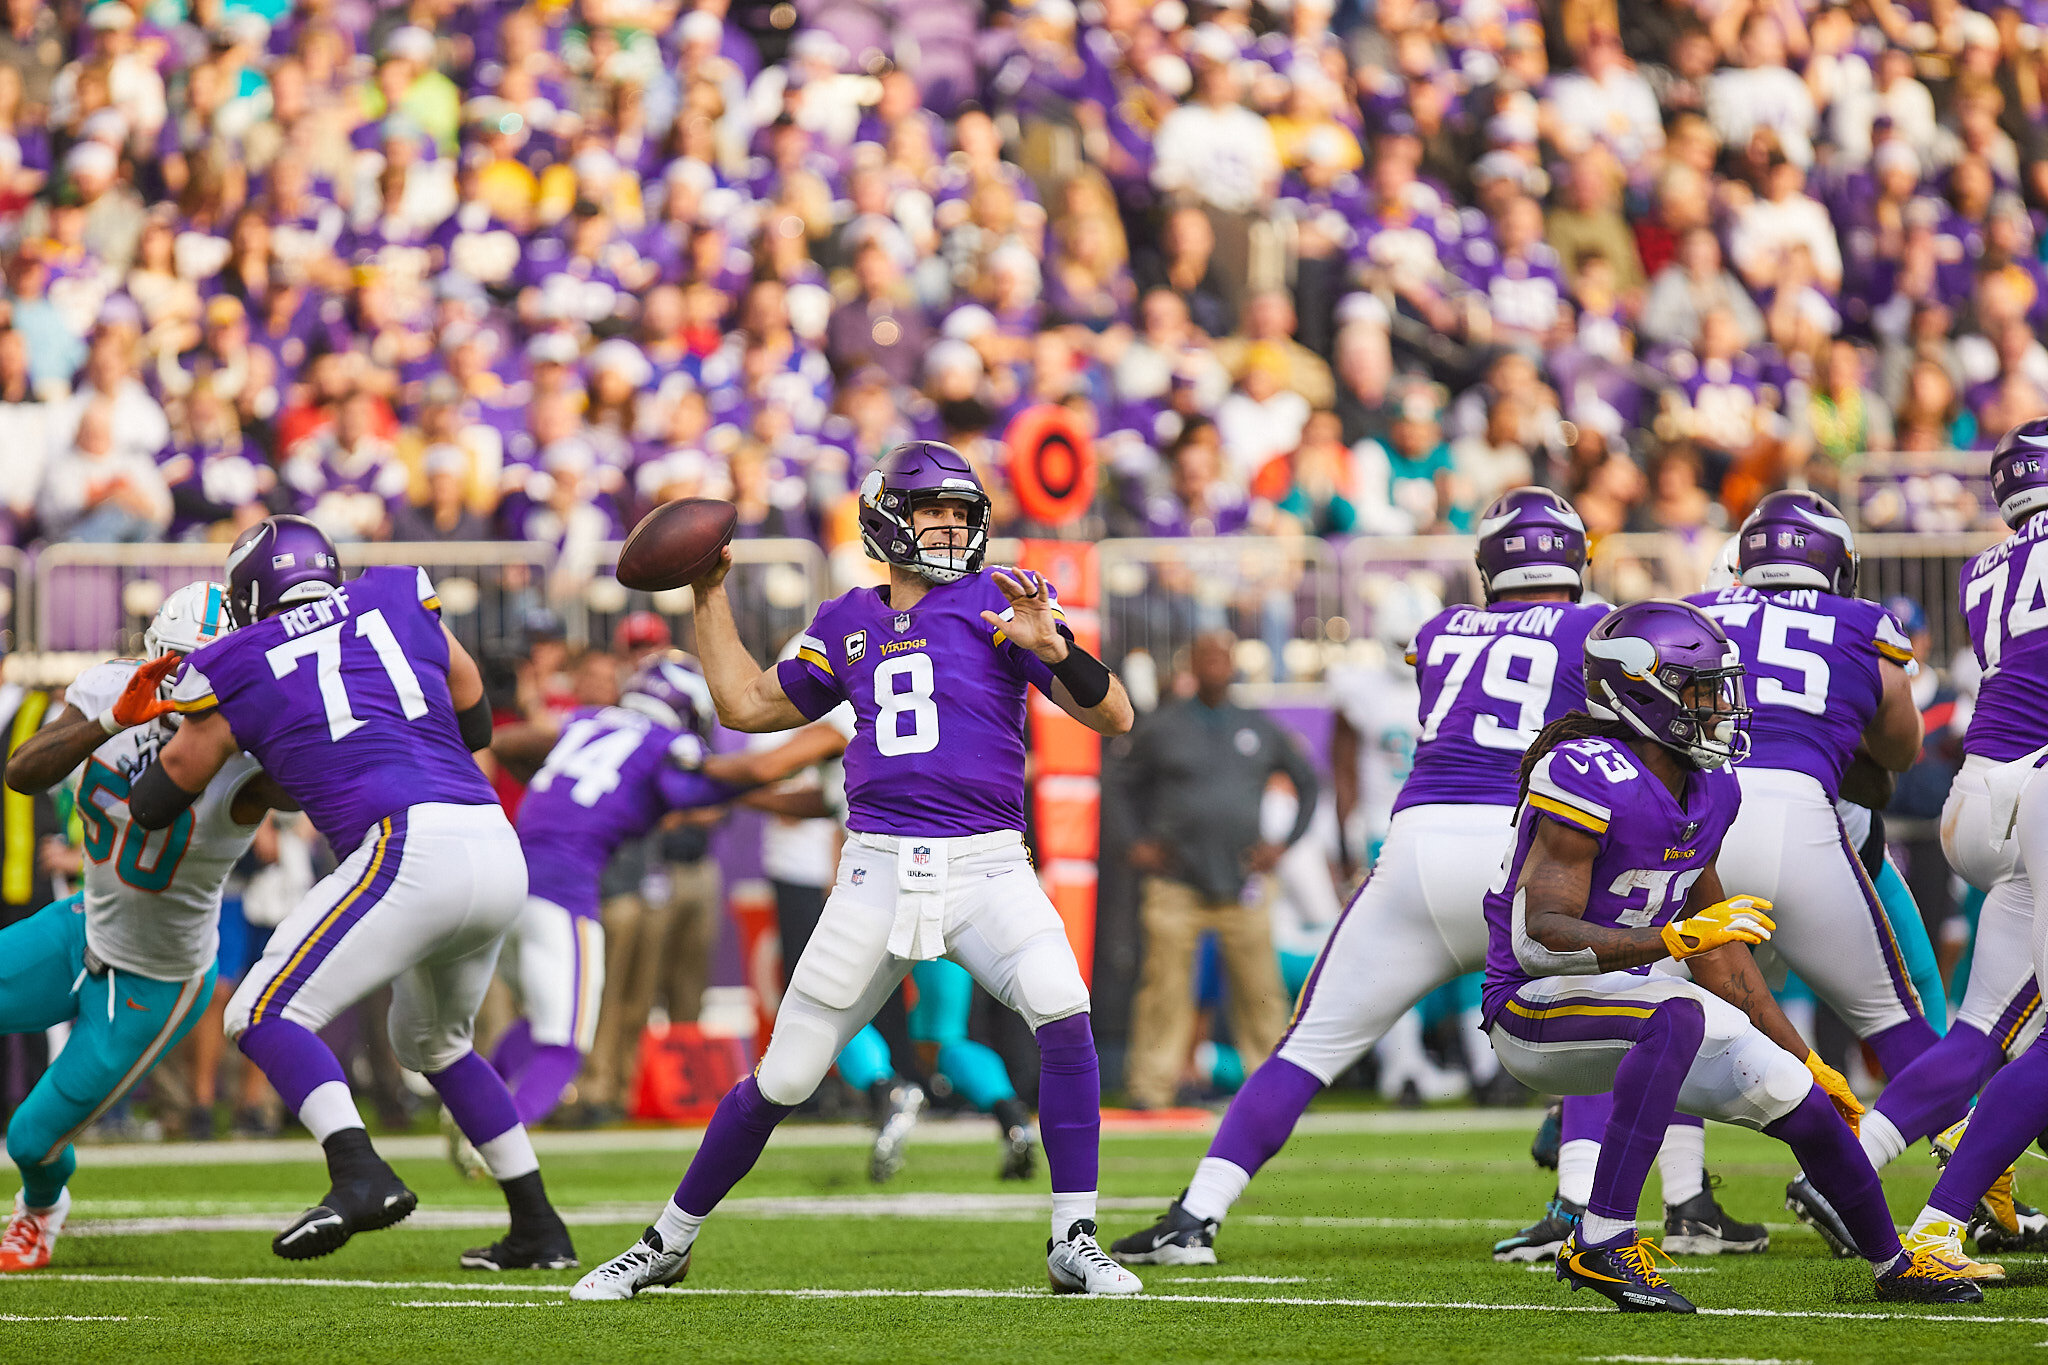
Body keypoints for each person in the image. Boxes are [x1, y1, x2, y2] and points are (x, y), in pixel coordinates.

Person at [572, 441, 1141, 1300]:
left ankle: (1074, 1237)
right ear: (886, 521)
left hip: (988, 861)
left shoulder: (1003, 601)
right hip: (876, 867)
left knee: (1064, 1011)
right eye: (932, 513)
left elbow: (1116, 715)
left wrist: (1056, 650)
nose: (951, 527)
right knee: (786, 1076)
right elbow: (746, 705)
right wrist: (708, 590)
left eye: (961, 513)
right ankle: (668, 1240)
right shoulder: (845, 621)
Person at [1112, 490, 1608, 1265]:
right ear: (1577, 559)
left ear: (1489, 566)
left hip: (1414, 848)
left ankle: (1194, 1216)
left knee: (1307, 1044)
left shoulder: (1444, 629)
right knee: (1608, 1019)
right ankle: (1578, 1207)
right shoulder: (1598, 627)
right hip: (1521, 848)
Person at [1482, 599, 1975, 1311]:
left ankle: (1893, 1263)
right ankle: (1602, 1239)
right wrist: (1665, 942)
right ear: (1643, 690)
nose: (1720, 706)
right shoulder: (1582, 771)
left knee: (1795, 1096)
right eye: (1703, 690)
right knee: (1676, 1011)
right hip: (1529, 1009)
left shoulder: (1713, 787)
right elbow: (1539, 934)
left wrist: (1806, 1059)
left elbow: (1720, 952)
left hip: (1631, 1008)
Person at [125, 516, 573, 1271]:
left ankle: (358, 1169)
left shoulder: (239, 654)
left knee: (260, 1010)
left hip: (406, 844)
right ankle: (538, 1224)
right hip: (493, 838)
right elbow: (475, 716)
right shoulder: (399, 592)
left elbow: (161, 795)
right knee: (433, 1042)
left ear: (251, 592)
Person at [0, 585, 287, 1271]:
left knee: (31, 1137)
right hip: (82, 928)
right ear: (156, 654)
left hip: (156, 978)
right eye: (188, 662)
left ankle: (40, 1209)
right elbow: (22, 770)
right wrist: (106, 723)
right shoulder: (108, 689)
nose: (201, 681)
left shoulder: (253, 751)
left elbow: (314, 785)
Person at [1891, 420, 2048, 1274]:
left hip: (1979, 798)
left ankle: (1864, 1163)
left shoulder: (1983, 566)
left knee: (1984, 1024)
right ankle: (1946, 1214)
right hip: (2039, 782)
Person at [480, 656, 742, 1132]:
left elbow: (506, 742)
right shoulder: (669, 743)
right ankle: (494, 1136)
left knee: (542, 1019)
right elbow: (710, 790)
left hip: (510, 882)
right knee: (564, 1043)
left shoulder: (585, 721)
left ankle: (474, 1103)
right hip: (565, 891)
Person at [1115, 630, 1318, 1111]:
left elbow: (1308, 783)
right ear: (1191, 664)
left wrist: (1282, 845)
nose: (1214, 665)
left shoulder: (1258, 726)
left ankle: (1274, 1088)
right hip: (1175, 881)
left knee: (1260, 990)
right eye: (1204, 656)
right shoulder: (1164, 726)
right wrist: (1135, 843)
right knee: (1163, 987)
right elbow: (1119, 781)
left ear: (1233, 665)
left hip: (1243, 881)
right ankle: (1151, 1087)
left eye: (1221, 657)